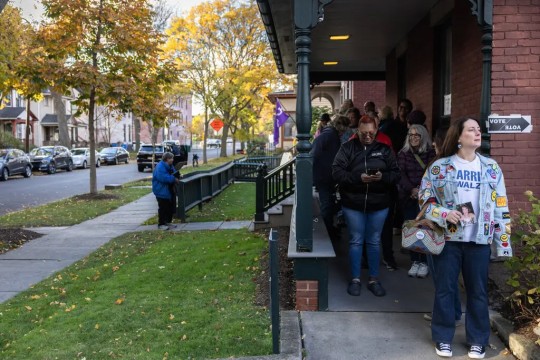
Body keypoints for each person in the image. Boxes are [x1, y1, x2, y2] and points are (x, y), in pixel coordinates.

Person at [419, 118, 512, 359]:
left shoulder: (491, 168)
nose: (477, 132)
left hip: (479, 240)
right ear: (459, 137)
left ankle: (478, 341)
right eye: (472, 129)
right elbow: (425, 199)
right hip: (449, 239)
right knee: (445, 290)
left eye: (479, 129)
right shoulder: (440, 167)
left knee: (478, 292)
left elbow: (501, 204)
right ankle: (443, 337)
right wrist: (444, 213)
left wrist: (502, 241)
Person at [332, 116, 400, 297]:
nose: (368, 136)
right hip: (353, 203)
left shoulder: (385, 150)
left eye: (371, 133)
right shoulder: (347, 148)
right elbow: (336, 172)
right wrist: (357, 178)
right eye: (364, 133)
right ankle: (355, 279)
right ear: (358, 131)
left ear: (376, 130)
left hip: (379, 203)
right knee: (355, 240)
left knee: (374, 241)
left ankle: (373, 279)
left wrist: (382, 178)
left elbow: (396, 174)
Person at [397, 124, 436, 278]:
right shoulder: (403, 153)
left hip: (426, 197)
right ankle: (415, 261)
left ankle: (425, 261)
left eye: (416, 135)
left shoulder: (431, 153)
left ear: (423, 137)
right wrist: (411, 190)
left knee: (426, 228)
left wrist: (421, 190)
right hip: (409, 196)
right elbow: (400, 174)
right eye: (410, 135)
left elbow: (432, 173)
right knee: (412, 228)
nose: (413, 137)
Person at [312, 120, 341, 242]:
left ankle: (330, 229)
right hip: (324, 177)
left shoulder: (329, 135)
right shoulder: (328, 136)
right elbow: (314, 154)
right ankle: (327, 231)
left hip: (327, 176)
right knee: (327, 205)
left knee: (329, 203)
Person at [152, 152, 180, 230]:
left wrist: (178, 176)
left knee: (169, 207)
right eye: (172, 158)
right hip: (161, 190)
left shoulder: (170, 166)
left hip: (169, 190)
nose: (173, 160)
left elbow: (174, 173)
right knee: (163, 207)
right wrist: (174, 179)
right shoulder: (160, 167)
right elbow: (164, 178)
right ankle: (161, 224)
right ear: (167, 159)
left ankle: (168, 222)